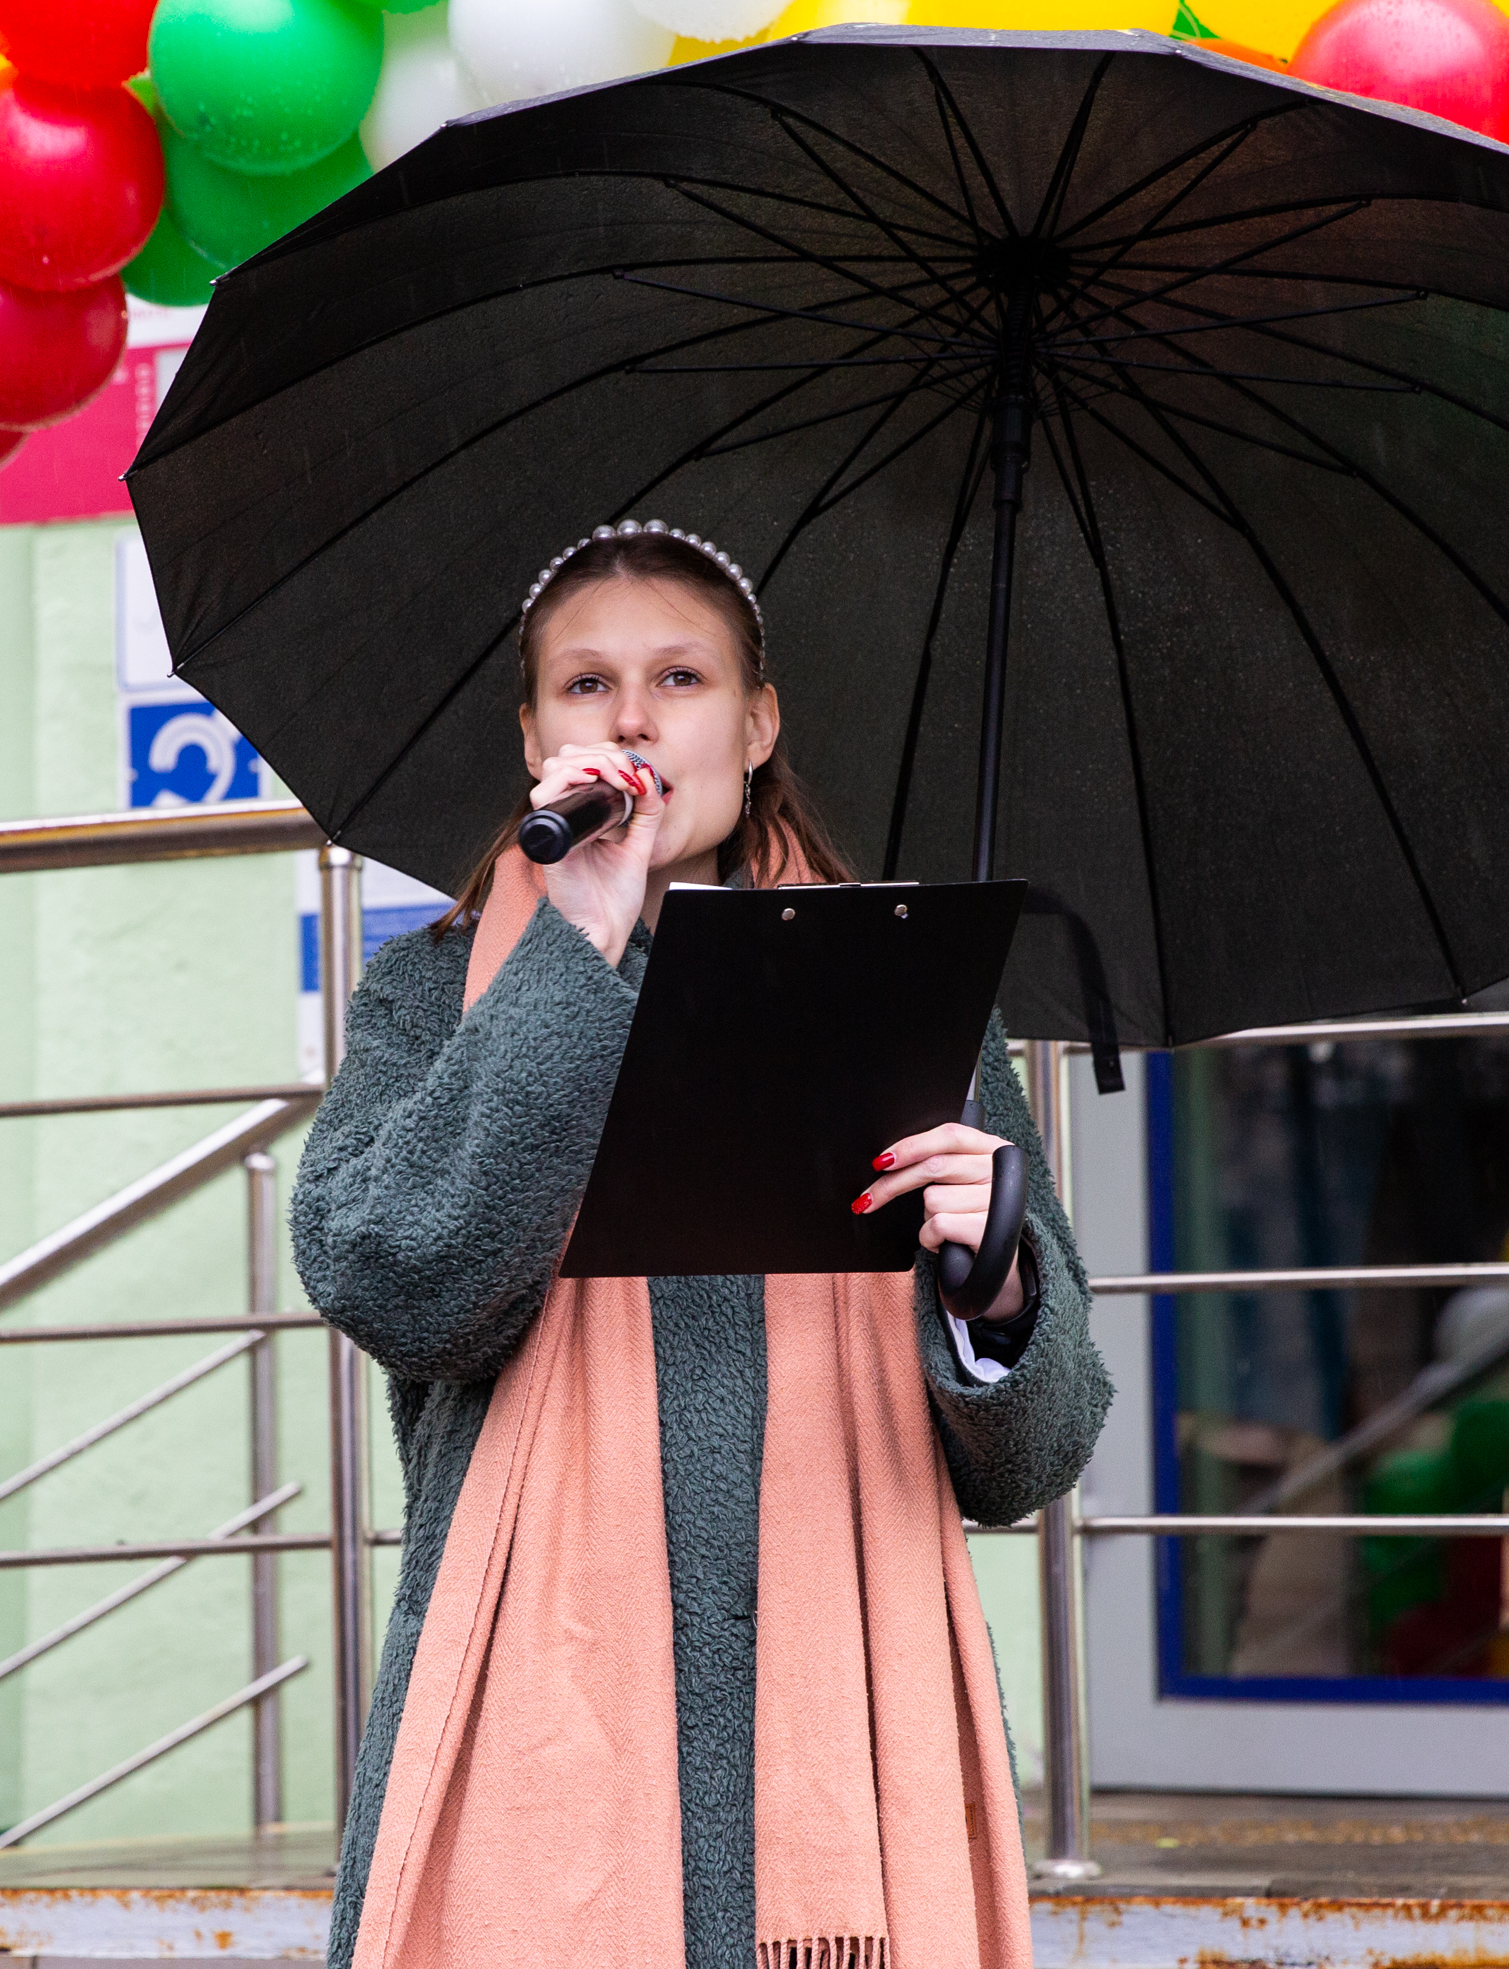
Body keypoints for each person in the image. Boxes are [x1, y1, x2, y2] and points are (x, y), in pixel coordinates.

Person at [293, 521, 1113, 1969]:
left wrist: (994, 1281)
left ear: (757, 723)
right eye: (587, 683)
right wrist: (572, 954)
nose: (633, 718)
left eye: (680, 678)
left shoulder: (904, 988)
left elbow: (1032, 1459)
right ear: (534, 735)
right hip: (541, 1697)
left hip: (851, 1693)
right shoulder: (433, 996)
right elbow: (397, 1284)